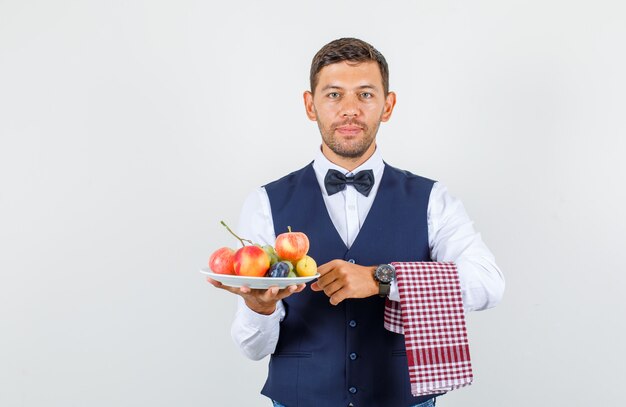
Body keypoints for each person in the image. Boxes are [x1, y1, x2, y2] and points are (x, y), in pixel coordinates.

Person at [208, 37, 505, 407]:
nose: (350, 110)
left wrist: (383, 279)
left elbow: (489, 284)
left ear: (388, 105)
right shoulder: (266, 202)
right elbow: (253, 350)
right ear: (309, 105)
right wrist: (260, 308)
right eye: (334, 95)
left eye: (365, 95)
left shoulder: (433, 199)